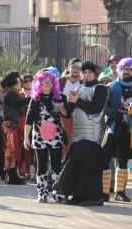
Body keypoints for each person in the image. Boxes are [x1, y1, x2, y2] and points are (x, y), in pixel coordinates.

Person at [54, 61, 107, 206]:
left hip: (92, 134)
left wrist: (77, 100)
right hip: (77, 134)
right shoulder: (79, 88)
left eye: (89, 72)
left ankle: (96, 197)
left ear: (94, 73)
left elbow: (96, 109)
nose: (86, 74)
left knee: (90, 167)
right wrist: (63, 109)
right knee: (77, 165)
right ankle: (78, 195)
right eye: (84, 72)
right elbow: (70, 112)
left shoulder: (101, 88)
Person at [24, 72, 68, 202]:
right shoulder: (35, 98)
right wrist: (26, 137)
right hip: (39, 135)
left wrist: (62, 108)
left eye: (50, 80)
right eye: (44, 80)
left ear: (54, 83)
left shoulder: (60, 97)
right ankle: (42, 192)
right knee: (41, 164)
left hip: (56, 135)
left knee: (56, 164)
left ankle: (57, 192)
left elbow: (67, 115)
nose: (47, 82)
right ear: (40, 83)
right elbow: (29, 118)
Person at [102, 57, 132, 202]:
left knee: (123, 161)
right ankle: (104, 192)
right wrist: (117, 113)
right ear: (120, 70)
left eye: (130, 69)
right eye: (125, 69)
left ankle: (119, 192)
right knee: (105, 159)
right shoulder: (111, 86)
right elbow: (104, 108)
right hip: (112, 128)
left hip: (128, 130)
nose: (127, 71)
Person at [1, 71, 30, 185]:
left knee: (14, 151)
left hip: (13, 126)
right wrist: (32, 97)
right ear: (13, 83)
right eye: (19, 81)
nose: (21, 83)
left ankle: (12, 175)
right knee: (12, 151)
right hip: (10, 126)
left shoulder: (12, 93)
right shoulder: (10, 94)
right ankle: (11, 176)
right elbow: (19, 104)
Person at [59, 58, 83, 156]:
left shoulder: (83, 83)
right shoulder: (61, 81)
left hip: (78, 118)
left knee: (74, 142)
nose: (75, 69)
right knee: (61, 142)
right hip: (61, 117)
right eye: (73, 66)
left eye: (78, 67)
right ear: (69, 67)